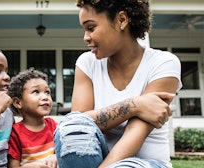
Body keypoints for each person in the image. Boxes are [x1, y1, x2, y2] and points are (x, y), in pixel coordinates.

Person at [54, 0, 182, 168]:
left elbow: (134, 134)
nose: (85, 37)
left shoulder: (163, 63)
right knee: (72, 128)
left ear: (121, 20)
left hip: (146, 163)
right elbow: (78, 124)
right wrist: (133, 105)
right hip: (96, 159)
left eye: (91, 28)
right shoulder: (87, 63)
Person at [7, 68, 58, 168]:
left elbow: (65, 150)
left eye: (47, 92)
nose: (45, 97)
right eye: (36, 91)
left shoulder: (53, 125)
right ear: (18, 102)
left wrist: (56, 155)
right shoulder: (15, 133)